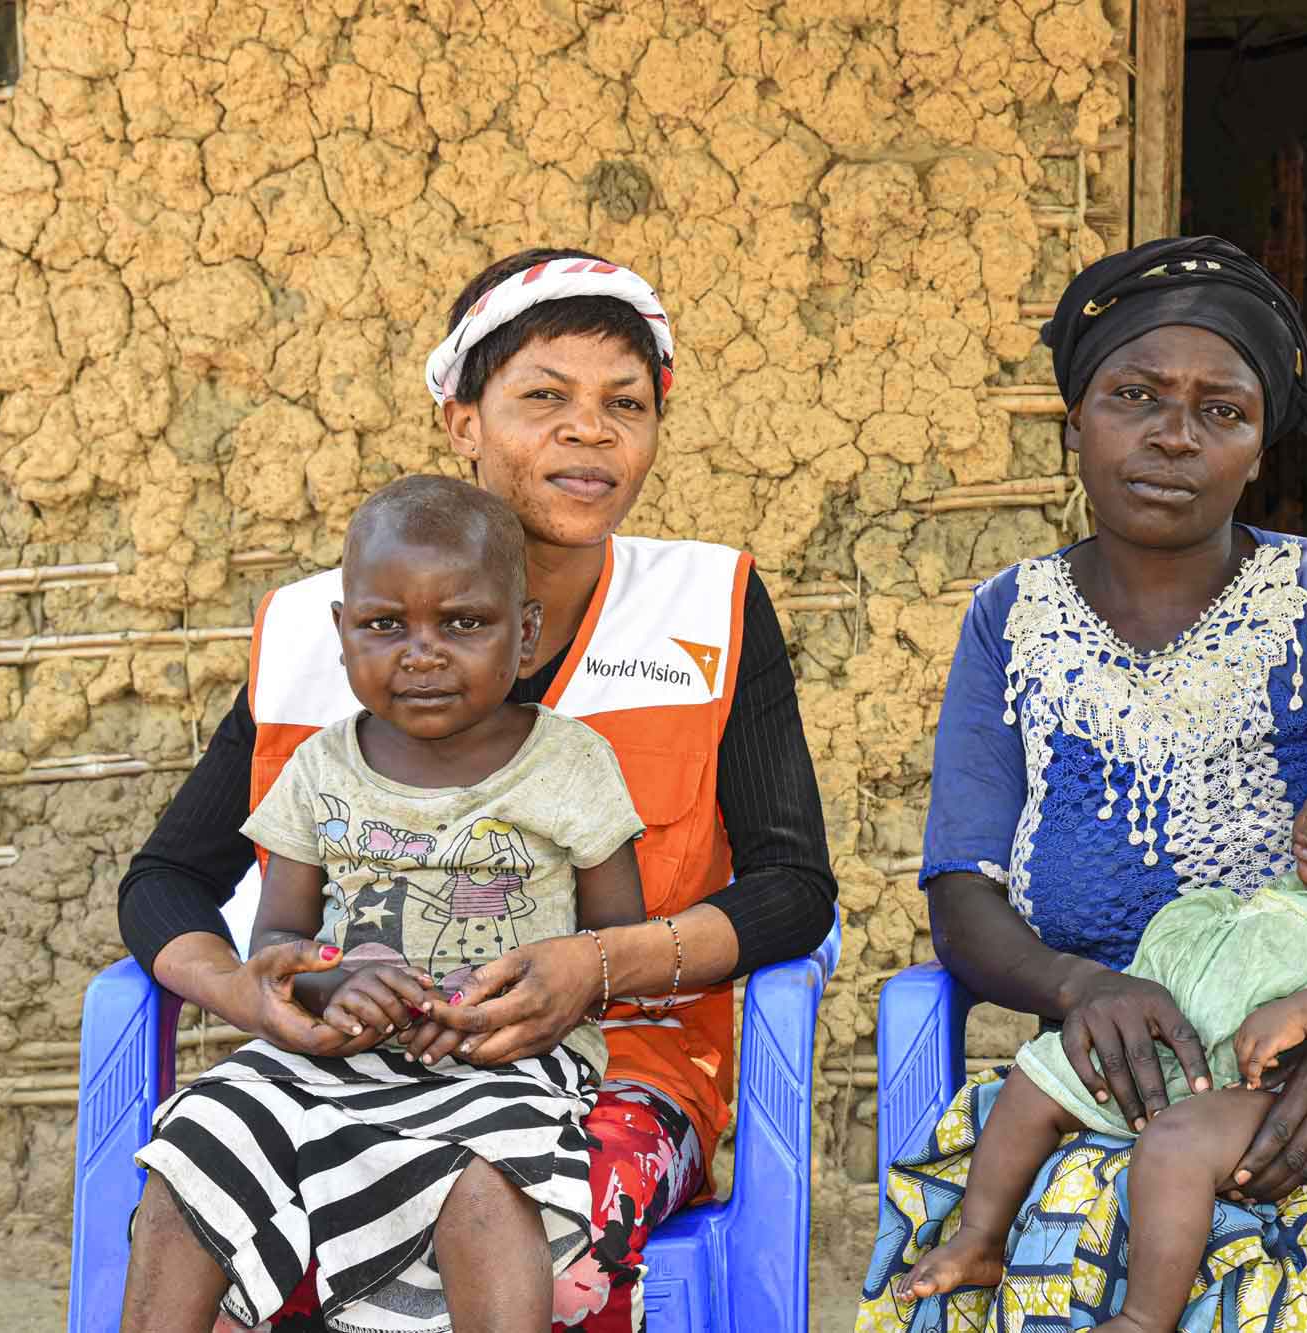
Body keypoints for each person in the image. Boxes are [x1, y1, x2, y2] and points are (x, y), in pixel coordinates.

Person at [118, 249, 837, 1332]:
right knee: (221, 1211)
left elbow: (793, 887)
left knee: (532, 1229)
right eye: (542, 397)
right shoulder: (338, 628)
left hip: (619, 1066)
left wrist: (593, 967)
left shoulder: (707, 604)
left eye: (623, 404)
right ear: (462, 421)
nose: (588, 430)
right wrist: (252, 994)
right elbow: (168, 879)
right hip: (351, 1057)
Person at [857, 236, 1307, 1332]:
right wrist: (1079, 989)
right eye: (1133, 396)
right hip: (1118, 1079)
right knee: (1038, 1252)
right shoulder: (1009, 620)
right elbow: (962, 897)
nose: (1173, 435)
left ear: (1255, 446)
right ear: (1076, 421)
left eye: (1220, 411)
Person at [134, 475, 650, 1332]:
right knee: (197, 1138)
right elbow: (282, 943)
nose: (422, 652)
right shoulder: (319, 770)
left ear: (524, 635)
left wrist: (517, 1000)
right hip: (333, 1057)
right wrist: (332, 983)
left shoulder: (570, 766)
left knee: (485, 1178)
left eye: (463, 623)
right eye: (384, 625)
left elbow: (614, 945)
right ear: (342, 635)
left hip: (508, 1061)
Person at [894, 713, 1307, 1332]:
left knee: (1177, 1144)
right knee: (1036, 1077)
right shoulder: (1299, 891)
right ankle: (980, 1237)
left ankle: (1146, 1316)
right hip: (1214, 1063)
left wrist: (1303, 1011)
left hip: (1299, 1087)